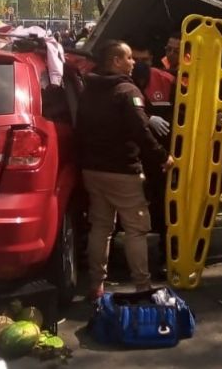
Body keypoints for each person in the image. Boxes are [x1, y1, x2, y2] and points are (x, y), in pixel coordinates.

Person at [76, 41, 174, 300]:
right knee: (136, 228)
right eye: (129, 57)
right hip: (123, 170)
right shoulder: (127, 90)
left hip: (92, 169)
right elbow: (141, 130)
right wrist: (163, 157)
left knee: (101, 227)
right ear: (116, 61)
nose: (134, 63)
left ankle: (96, 286)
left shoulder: (87, 89)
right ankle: (142, 285)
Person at [130, 44, 177, 278]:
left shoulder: (166, 81)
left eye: (143, 58)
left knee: (167, 206)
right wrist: (148, 117)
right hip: (131, 159)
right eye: (133, 58)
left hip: (162, 157)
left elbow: (185, 113)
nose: (136, 63)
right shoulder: (121, 83)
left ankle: (168, 254)